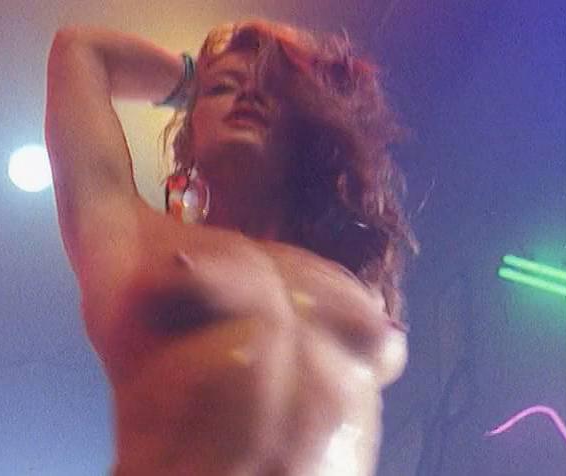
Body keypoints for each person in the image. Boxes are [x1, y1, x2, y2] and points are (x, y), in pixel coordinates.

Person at [44, 18, 418, 476]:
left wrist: (283, 87)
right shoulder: (131, 236)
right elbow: (80, 48)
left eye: (272, 90)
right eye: (223, 88)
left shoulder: (354, 272)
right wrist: (198, 79)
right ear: (191, 120)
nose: (247, 95)